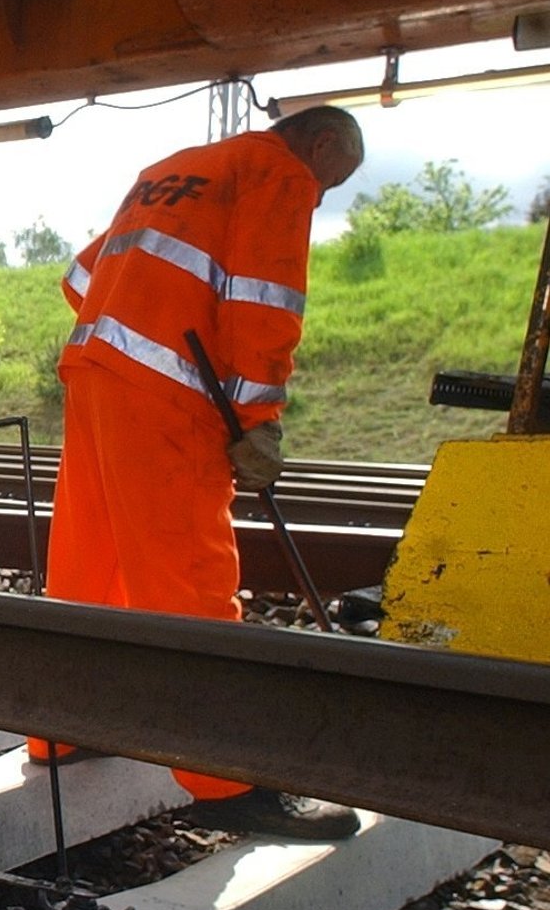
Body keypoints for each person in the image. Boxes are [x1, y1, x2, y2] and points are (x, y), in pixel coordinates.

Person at [30, 105, 366, 839]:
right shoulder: (277, 172)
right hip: (168, 390)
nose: (319, 193)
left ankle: (63, 727)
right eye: (329, 180)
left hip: (95, 373)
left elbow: (81, 275)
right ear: (323, 145)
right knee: (190, 576)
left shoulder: (174, 169)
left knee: (89, 562)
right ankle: (228, 778)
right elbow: (264, 302)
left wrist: (142, 326)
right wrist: (257, 419)